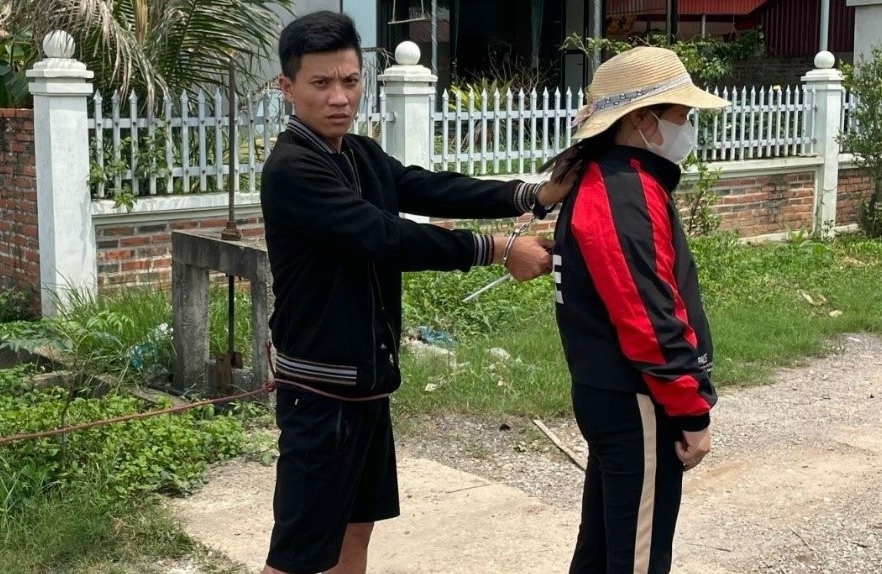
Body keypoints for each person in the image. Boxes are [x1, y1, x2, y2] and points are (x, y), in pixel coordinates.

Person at [258, 11, 574, 574]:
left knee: (356, 531)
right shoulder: (293, 168)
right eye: (321, 83)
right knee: (299, 556)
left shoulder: (357, 155)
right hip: (321, 390)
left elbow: (427, 186)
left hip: (368, 387)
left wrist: (531, 193)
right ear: (288, 88)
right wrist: (496, 250)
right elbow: (385, 237)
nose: (339, 97)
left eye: (350, 81)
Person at [541, 46, 728, 574]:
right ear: (644, 121)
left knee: (604, 544)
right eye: (681, 116)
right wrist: (691, 409)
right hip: (637, 400)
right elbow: (647, 316)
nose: (688, 128)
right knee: (637, 556)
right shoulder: (622, 191)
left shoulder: (614, 180)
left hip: (617, 395)